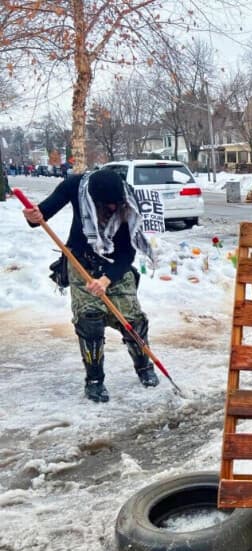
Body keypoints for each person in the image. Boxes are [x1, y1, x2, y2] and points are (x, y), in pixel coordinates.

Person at [21, 169, 162, 402]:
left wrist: (106, 280)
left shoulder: (128, 201)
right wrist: (32, 216)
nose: (113, 210)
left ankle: (144, 367)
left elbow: (127, 254)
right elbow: (40, 217)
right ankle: (94, 381)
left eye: (116, 205)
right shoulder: (75, 186)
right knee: (90, 321)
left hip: (116, 263)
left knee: (133, 321)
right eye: (107, 206)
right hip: (80, 261)